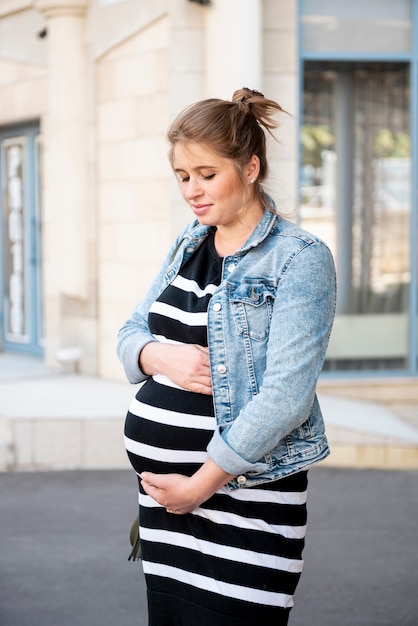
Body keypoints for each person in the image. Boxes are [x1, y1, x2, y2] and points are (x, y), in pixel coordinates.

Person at [117, 87, 336, 626]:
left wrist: (198, 486)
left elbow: (286, 397)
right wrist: (158, 358)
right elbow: (129, 332)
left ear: (251, 167)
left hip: (245, 504)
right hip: (168, 513)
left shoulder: (299, 259)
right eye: (182, 176)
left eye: (207, 174)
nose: (192, 190)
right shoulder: (189, 244)